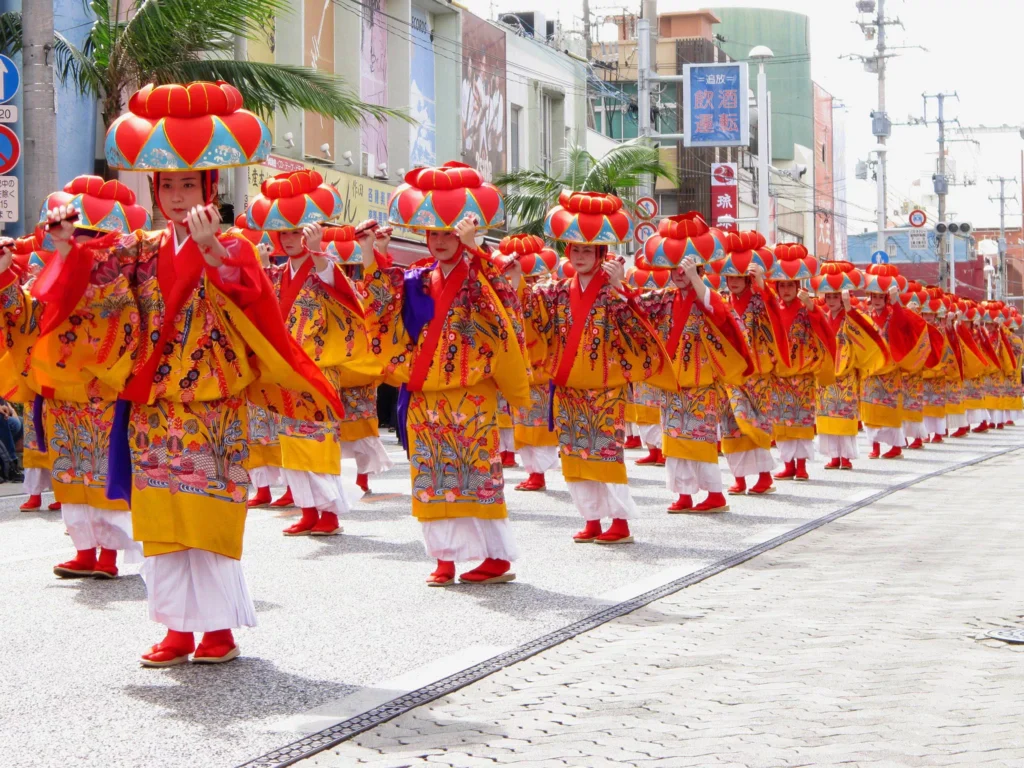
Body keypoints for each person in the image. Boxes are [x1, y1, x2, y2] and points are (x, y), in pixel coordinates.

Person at [34, 81, 342, 667]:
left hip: (212, 406)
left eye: (188, 184)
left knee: (209, 513)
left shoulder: (237, 246)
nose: (177, 196)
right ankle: (177, 628)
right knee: (163, 519)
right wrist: (67, 247)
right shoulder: (138, 248)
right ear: (154, 190)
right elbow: (91, 290)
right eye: (167, 185)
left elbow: (258, 309)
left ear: (209, 187)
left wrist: (217, 256)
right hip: (155, 408)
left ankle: (219, 630)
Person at [365, 162, 530, 586]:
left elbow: (503, 303)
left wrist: (476, 248)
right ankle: (444, 557)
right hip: (424, 395)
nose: (439, 241)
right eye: (433, 233)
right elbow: (384, 312)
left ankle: (495, 556)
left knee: (476, 475)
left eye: (448, 233)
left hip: (470, 394)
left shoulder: (479, 274)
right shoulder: (419, 278)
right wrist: (371, 253)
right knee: (431, 475)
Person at [20, 176, 152, 577]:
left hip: (103, 385)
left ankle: (108, 555)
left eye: (91, 235)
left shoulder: (118, 273)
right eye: (78, 234)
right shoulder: (57, 265)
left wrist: (71, 255)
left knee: (100, 466)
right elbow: (32, 312)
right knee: (71, 466)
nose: (85, 242)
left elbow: (124, 311)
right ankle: (85, 550)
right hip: (63, 384)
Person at [524, 190, 672, 543]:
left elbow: (640, 327)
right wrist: (517, 278)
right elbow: (528, 313)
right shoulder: (556, 290)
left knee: (607, 454)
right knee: (574, 455)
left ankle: (619, 522)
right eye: (574, 249)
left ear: (602, 254)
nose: (579, 255)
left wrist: (620, 287)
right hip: (569, 389)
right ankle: (591, 519)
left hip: (605, 390)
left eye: (587, 250)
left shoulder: (614, 292)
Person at [246, 170, 381, 536]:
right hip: (287, 373)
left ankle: (329, 514)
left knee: (318, 442)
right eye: (285, 233)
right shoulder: (277, 276)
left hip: (319, 371)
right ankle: (308, 510)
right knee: (293, 443)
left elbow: (340, 288)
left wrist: (320, 251)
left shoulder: (324, 269)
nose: (290, 240)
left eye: (297, 232)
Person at [630, 213, 751, 513]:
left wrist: (697, 280)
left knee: (699, 440)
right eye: (675, 268)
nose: (679, 273)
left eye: (686, 267)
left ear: (698, 267)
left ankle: (714, 494)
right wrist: (619, 283)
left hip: (701, 382)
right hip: (672, 384)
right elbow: (636, 308)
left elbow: (723, 318)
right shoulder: (665, 298)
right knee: (674, 442)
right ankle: (683, 494)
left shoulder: (708, 298)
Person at [710, 231, 789, 496]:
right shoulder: (722, 302)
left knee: (755, 423)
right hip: (731, 374)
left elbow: (775, 316)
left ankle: (765, 476)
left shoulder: (760, 300)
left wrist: (761, 285)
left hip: (757, 373)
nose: (732, 282)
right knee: (732, 425)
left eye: (738, 277)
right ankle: (740, 478)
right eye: (729, 277)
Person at [323, 224, 396, 494]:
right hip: (335, 363)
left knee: (362, 425)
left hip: (359, 365)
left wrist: (379, 250)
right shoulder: (322, 288)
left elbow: (381, 290)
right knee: (333, 427)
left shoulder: (361, 288)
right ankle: (336, 478)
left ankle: (361, 478)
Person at [495, 234, 560, 492]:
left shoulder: (541, 294)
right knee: (523, 424)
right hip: (521, 370)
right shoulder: (514, 294)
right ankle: (532, 471)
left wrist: (519, 279)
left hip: (540, 369)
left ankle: (538, 473)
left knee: (538, 425)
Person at [766, 245, 835, 482]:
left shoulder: (807, 308)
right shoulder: (773, 309)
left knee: (801, 420)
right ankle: (787, 464)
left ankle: (802, 465)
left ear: (798, 287)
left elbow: (825, 331)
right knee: (782, 420)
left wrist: (813, 308)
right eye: (782, 285)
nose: (785, 290)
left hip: (803, 374)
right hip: (779, 375)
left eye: (790, 285)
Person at [810, 262, 888, 469]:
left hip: (845, 372)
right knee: (828, 414)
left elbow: (865, 331)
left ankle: (845, 457)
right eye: (829, 297)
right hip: (827, 370)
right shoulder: (824, 316)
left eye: (836, 296)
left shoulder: (852, 317)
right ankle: (834, 456)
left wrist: (849, 309)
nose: (833, 300)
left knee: (843, 413)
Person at [860, 264, 931, 459]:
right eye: (873, 296)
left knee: (890, 409)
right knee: (871, 408)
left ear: (886, 298)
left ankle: (895, 446)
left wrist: (897, 302)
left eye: (880, 296)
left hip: (891, 369)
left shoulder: (894, 315)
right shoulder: (866, 317)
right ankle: (874, 446)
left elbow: (905, 324)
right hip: (872, 370)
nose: (876, 300)